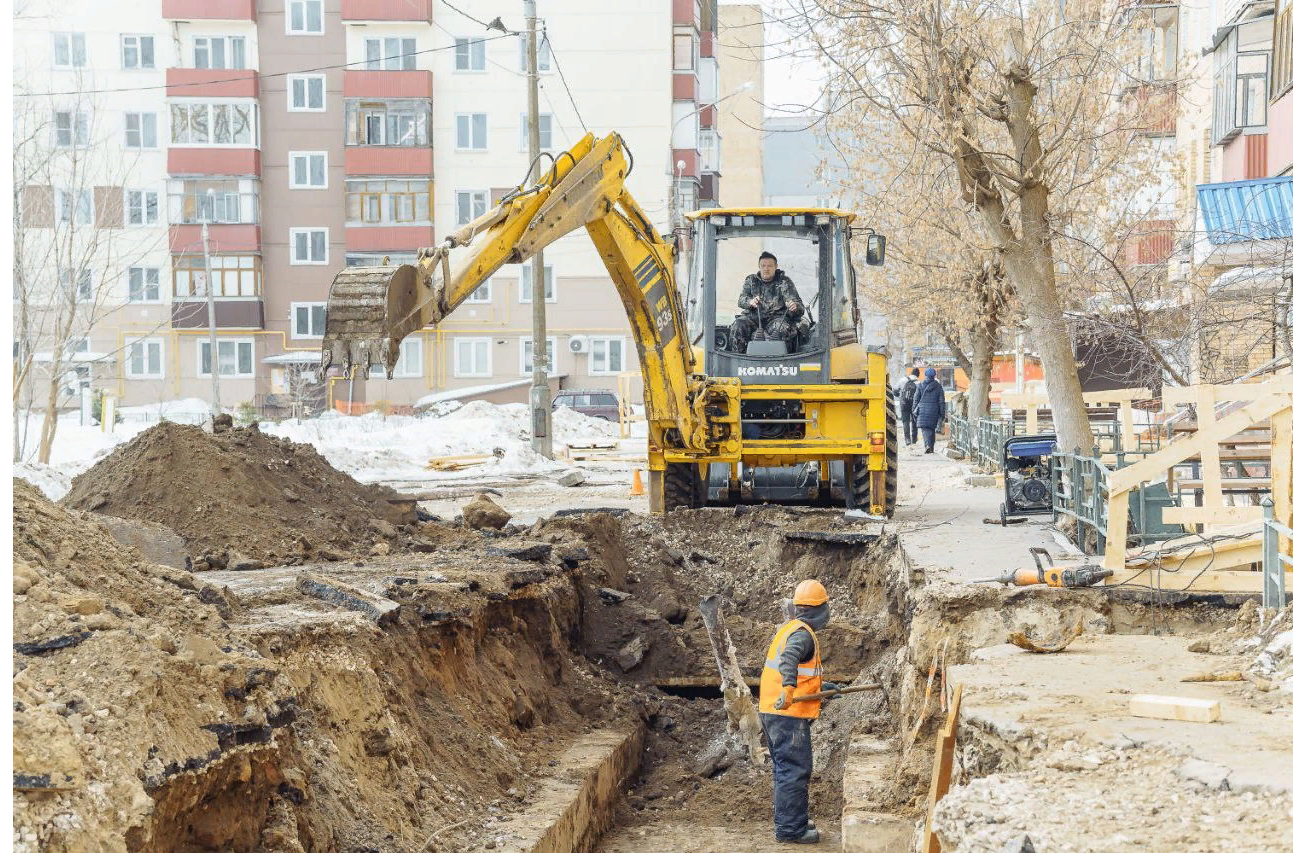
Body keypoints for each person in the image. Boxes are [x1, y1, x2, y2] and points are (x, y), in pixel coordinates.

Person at [759, 579, 841, 845]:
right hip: (786, 714)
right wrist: (788, 689)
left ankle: (793, 820)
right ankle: (790, 830)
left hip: (775, 711)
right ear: (820, 609)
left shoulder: (792, 628)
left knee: (787, 769)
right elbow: (789, 659)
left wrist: (823, 689)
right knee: (794, 770)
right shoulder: (802, 635)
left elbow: (803, 674)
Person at [729, 252, 804, 353]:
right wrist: (750, 302)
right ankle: (739, 359)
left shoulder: (784, 282)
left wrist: (794, 306)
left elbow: (798, 304)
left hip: (776, 319)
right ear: (759, 266)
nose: (766, 269)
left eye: (769, 266)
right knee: (738, 324)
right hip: (754, 319)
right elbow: (741, 300)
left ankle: (782, 360)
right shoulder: (751, 280)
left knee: (783, 328)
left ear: (775, 267)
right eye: (763, 266)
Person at [913, 366, 945, 454]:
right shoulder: (938, 386)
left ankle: (927, 446)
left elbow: (916, 400)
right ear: (934, 376)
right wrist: (942, 414)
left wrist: (914, 410)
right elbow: (941, 402)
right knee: (932, 429)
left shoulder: (920, 386)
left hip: (922, 411)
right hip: (934, 411)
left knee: (925, 429)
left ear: (925, 375)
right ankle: (930, 447)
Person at [898, 367, 919, 446]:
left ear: (911, 373)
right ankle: (914, 439)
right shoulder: (918, 383)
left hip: (904, 403)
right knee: (914, 421)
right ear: (918, 375)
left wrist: (900, 396)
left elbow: (895, 390)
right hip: (914, 405)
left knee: (905, 421)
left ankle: (907, 439)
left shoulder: (903, 380)